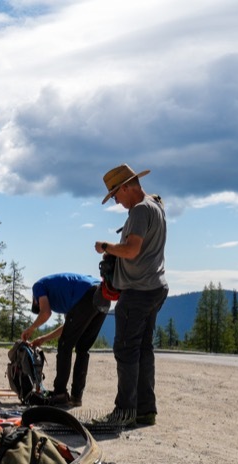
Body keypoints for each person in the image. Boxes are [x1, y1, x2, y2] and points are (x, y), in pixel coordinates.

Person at [95, 164, 168, 426]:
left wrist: (105, 247)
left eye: (115, 195)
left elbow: (131, 250)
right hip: (155, 287)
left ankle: (124, 411)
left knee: (126, 350)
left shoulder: (139, 210)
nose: (116, 200)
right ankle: (145, 410)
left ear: (126, 187)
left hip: (137, 291)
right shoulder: (155, 205)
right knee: (143, 350)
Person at [22, 273, 108, 407]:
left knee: (64, 347)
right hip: (103, 295)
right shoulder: (68, 295)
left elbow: (45, 312)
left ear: (35, 300)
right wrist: (44, 338)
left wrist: (31, 328)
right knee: (82, 348)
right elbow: (69, 326)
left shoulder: (38, 286)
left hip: (89, 293)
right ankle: (76, 397)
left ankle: (60, 393)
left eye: (37, 304)